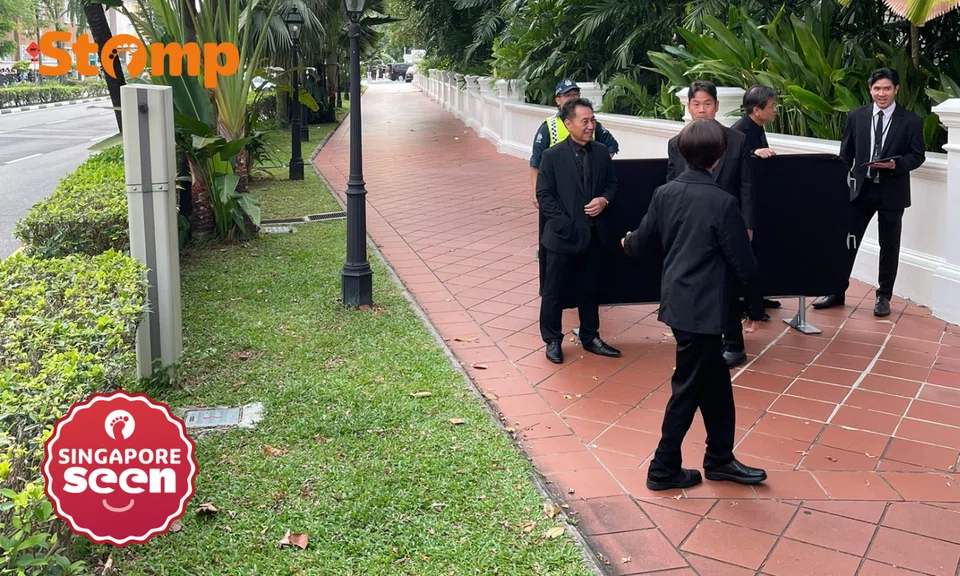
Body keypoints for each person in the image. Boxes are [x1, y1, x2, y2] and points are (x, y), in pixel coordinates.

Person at [622, 119, 768, 491]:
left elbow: (639, 243)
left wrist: (627, 242)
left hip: (679, 304)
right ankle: (662, 468)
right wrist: (754, 309)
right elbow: (745, 265)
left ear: (683, 153)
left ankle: (720, 458)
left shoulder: (664, 193)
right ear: (718, 157)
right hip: (703, 311)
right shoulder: (722, 202)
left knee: (716, 384)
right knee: (687, 390)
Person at [812, 68, 926, 317]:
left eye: (886, 88)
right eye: (877, 89)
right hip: (859, 191)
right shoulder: (856, 116)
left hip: (892, 191)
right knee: (845, 242)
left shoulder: (911, 121)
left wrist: (896, 164)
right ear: (870, 90)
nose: (881, 93)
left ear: (896, 89)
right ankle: (836, 290)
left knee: (889, 246)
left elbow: (917, 156)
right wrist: (838, 187)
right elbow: (846, 155)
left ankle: (883, 297)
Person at [666, 80, 754, 368]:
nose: (702, 109)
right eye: (696, 104)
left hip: (728, 226)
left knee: (727, 285)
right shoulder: (676, 144)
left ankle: (734, 344)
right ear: (688, 108)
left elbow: (746, 186)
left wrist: (748, 225)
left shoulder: (738, 140)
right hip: (692, 230)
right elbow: (672, 186)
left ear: (716, 106)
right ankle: (703, 339)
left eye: (707, 103)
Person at [536, 98, 622, 364]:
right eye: (584, 121)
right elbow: (544, 195)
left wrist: (604, 200)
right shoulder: (551, 156)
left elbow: (613, 184)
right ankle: (552, 339)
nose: (590, 126)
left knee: (590, 289)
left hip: (594, 236)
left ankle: (590, 336)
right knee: (554, 291)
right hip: (562, 237)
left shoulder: (600, 152)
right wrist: (566, 223)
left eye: (592, 120)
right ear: (568, 123)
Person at [732, 84, 782, 311]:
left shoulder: (758, 127)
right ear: (756, 110)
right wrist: (752, 154)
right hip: (742, 205)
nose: (775, 110)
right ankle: (747, 303)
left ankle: (759, 296)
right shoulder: (740, 132)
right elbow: (734, 165)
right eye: (771, 106)